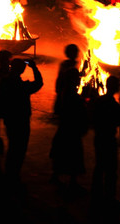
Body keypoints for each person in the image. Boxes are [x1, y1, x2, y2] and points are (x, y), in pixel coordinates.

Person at [0, 58, 43, 194]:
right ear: (22, 69)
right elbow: (39, 83)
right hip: (20, 121)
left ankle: (10, 177)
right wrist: (34, 68)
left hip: (10, 120)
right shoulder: (20, 86)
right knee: (18, 150)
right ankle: (12, 179)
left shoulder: (4, 81)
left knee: (13, 148)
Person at [49, 67, 88, 195]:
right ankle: (72, 184)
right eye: (77, 78)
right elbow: (78, 111)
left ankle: (56, 176)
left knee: (61, 152)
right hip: (71, 129)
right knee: (73, 155)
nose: (78, 80)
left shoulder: (64, 92)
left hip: (64, 128)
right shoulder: (71, 95)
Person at [89, 75, 120, 211]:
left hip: (99, 138)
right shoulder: (113, 104)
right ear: (115, 87)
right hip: (108, 139)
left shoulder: (99, 101)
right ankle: (109, 199)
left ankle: (96, 196)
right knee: (110, 171)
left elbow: (91, 117)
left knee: (99, 168)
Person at [53, 43, 81, 115]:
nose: (78, 53)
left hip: (64, 90)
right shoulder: (71, 65)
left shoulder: (64, 64)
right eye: (76, 52)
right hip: (67, 90)